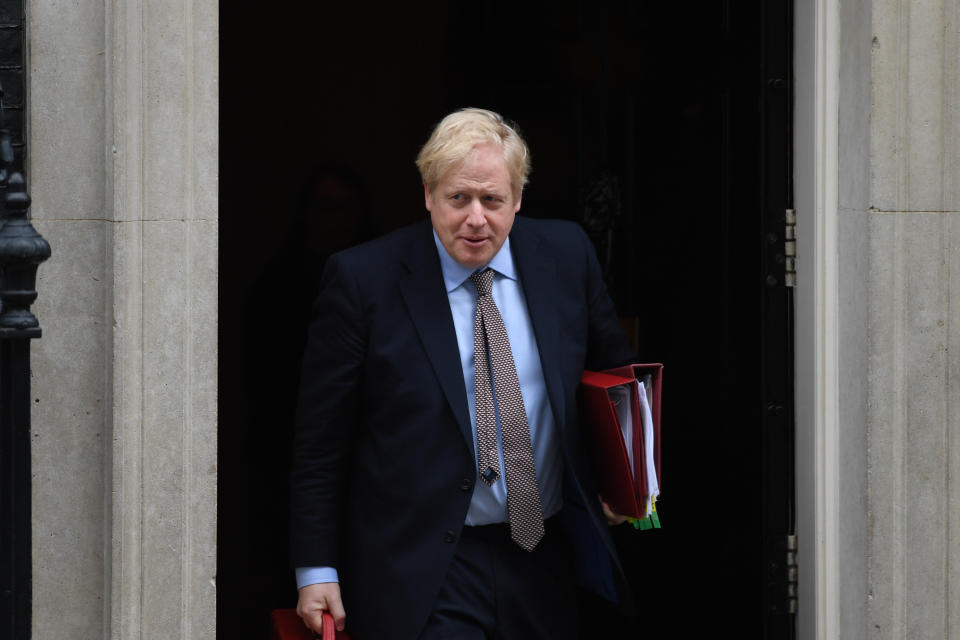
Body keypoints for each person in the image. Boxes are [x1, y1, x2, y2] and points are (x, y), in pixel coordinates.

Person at [290, 108, 635, 639]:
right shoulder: (364, 281)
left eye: (493, 200)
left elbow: (615, 378)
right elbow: (321, 440)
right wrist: (316, 569)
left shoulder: (566, 257)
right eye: (458, 199)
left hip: (545, 554)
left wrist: (627, 480)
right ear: (429, 194)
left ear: (517, 199)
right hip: (425, 562)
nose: (476, 218)